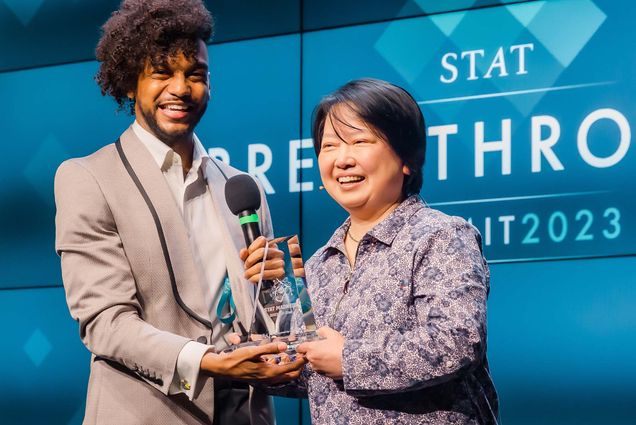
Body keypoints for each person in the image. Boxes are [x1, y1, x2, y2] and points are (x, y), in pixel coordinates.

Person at [54, 1, 304, 424]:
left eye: (195, 75)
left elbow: (267, 322)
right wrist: (207, 360)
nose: (181, 88)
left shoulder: (241, 186)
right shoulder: (87, 177)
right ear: (130, 84)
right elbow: (106, 322)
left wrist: (281, 290)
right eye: (162, 73)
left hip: (243, 412)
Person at [245, 78, 499, 424]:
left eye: (360, 141)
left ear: (407, 159)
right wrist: (261, 360)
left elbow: (456, 342)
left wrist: (348, 358)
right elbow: (319, 376)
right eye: (330, 146)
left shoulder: (440, 236)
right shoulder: (321, 262)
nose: (343, 159)